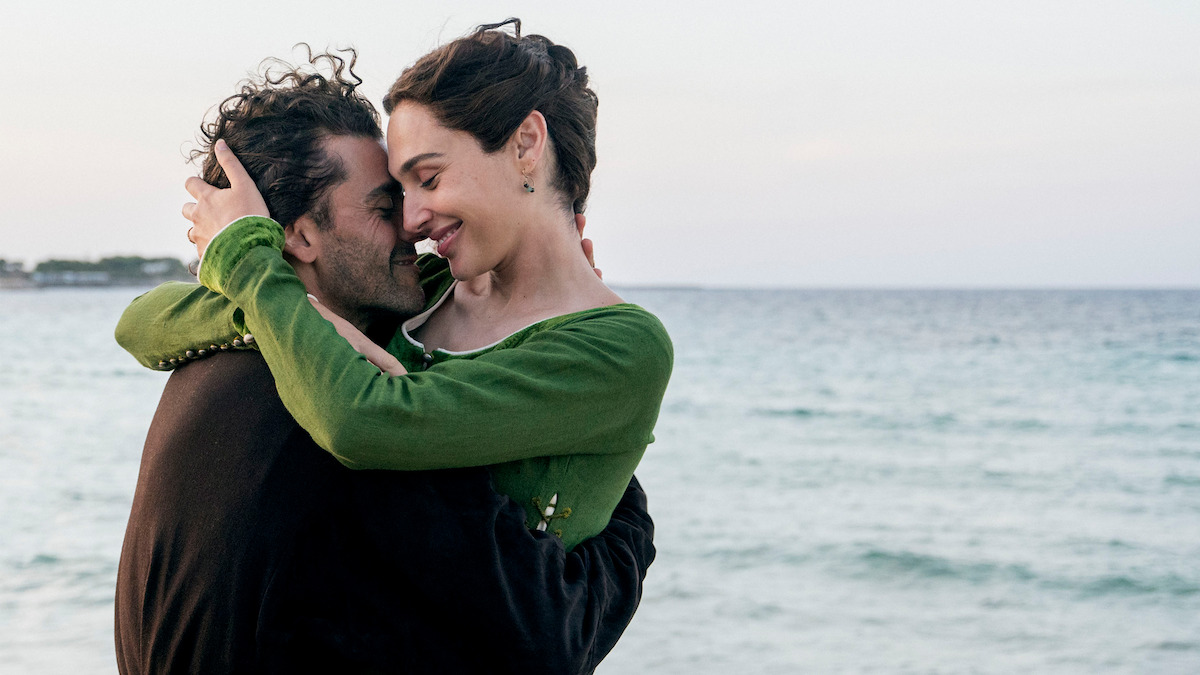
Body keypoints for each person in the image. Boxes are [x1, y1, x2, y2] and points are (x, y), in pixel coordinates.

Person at [114, 49, 655, 674]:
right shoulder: (295, 389)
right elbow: (543, 632)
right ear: (300, 237)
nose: (413, 221)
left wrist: (290, 306)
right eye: (391, 199)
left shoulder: (380, 314)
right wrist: (627, 538)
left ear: (528, 145)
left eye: (425, 180)